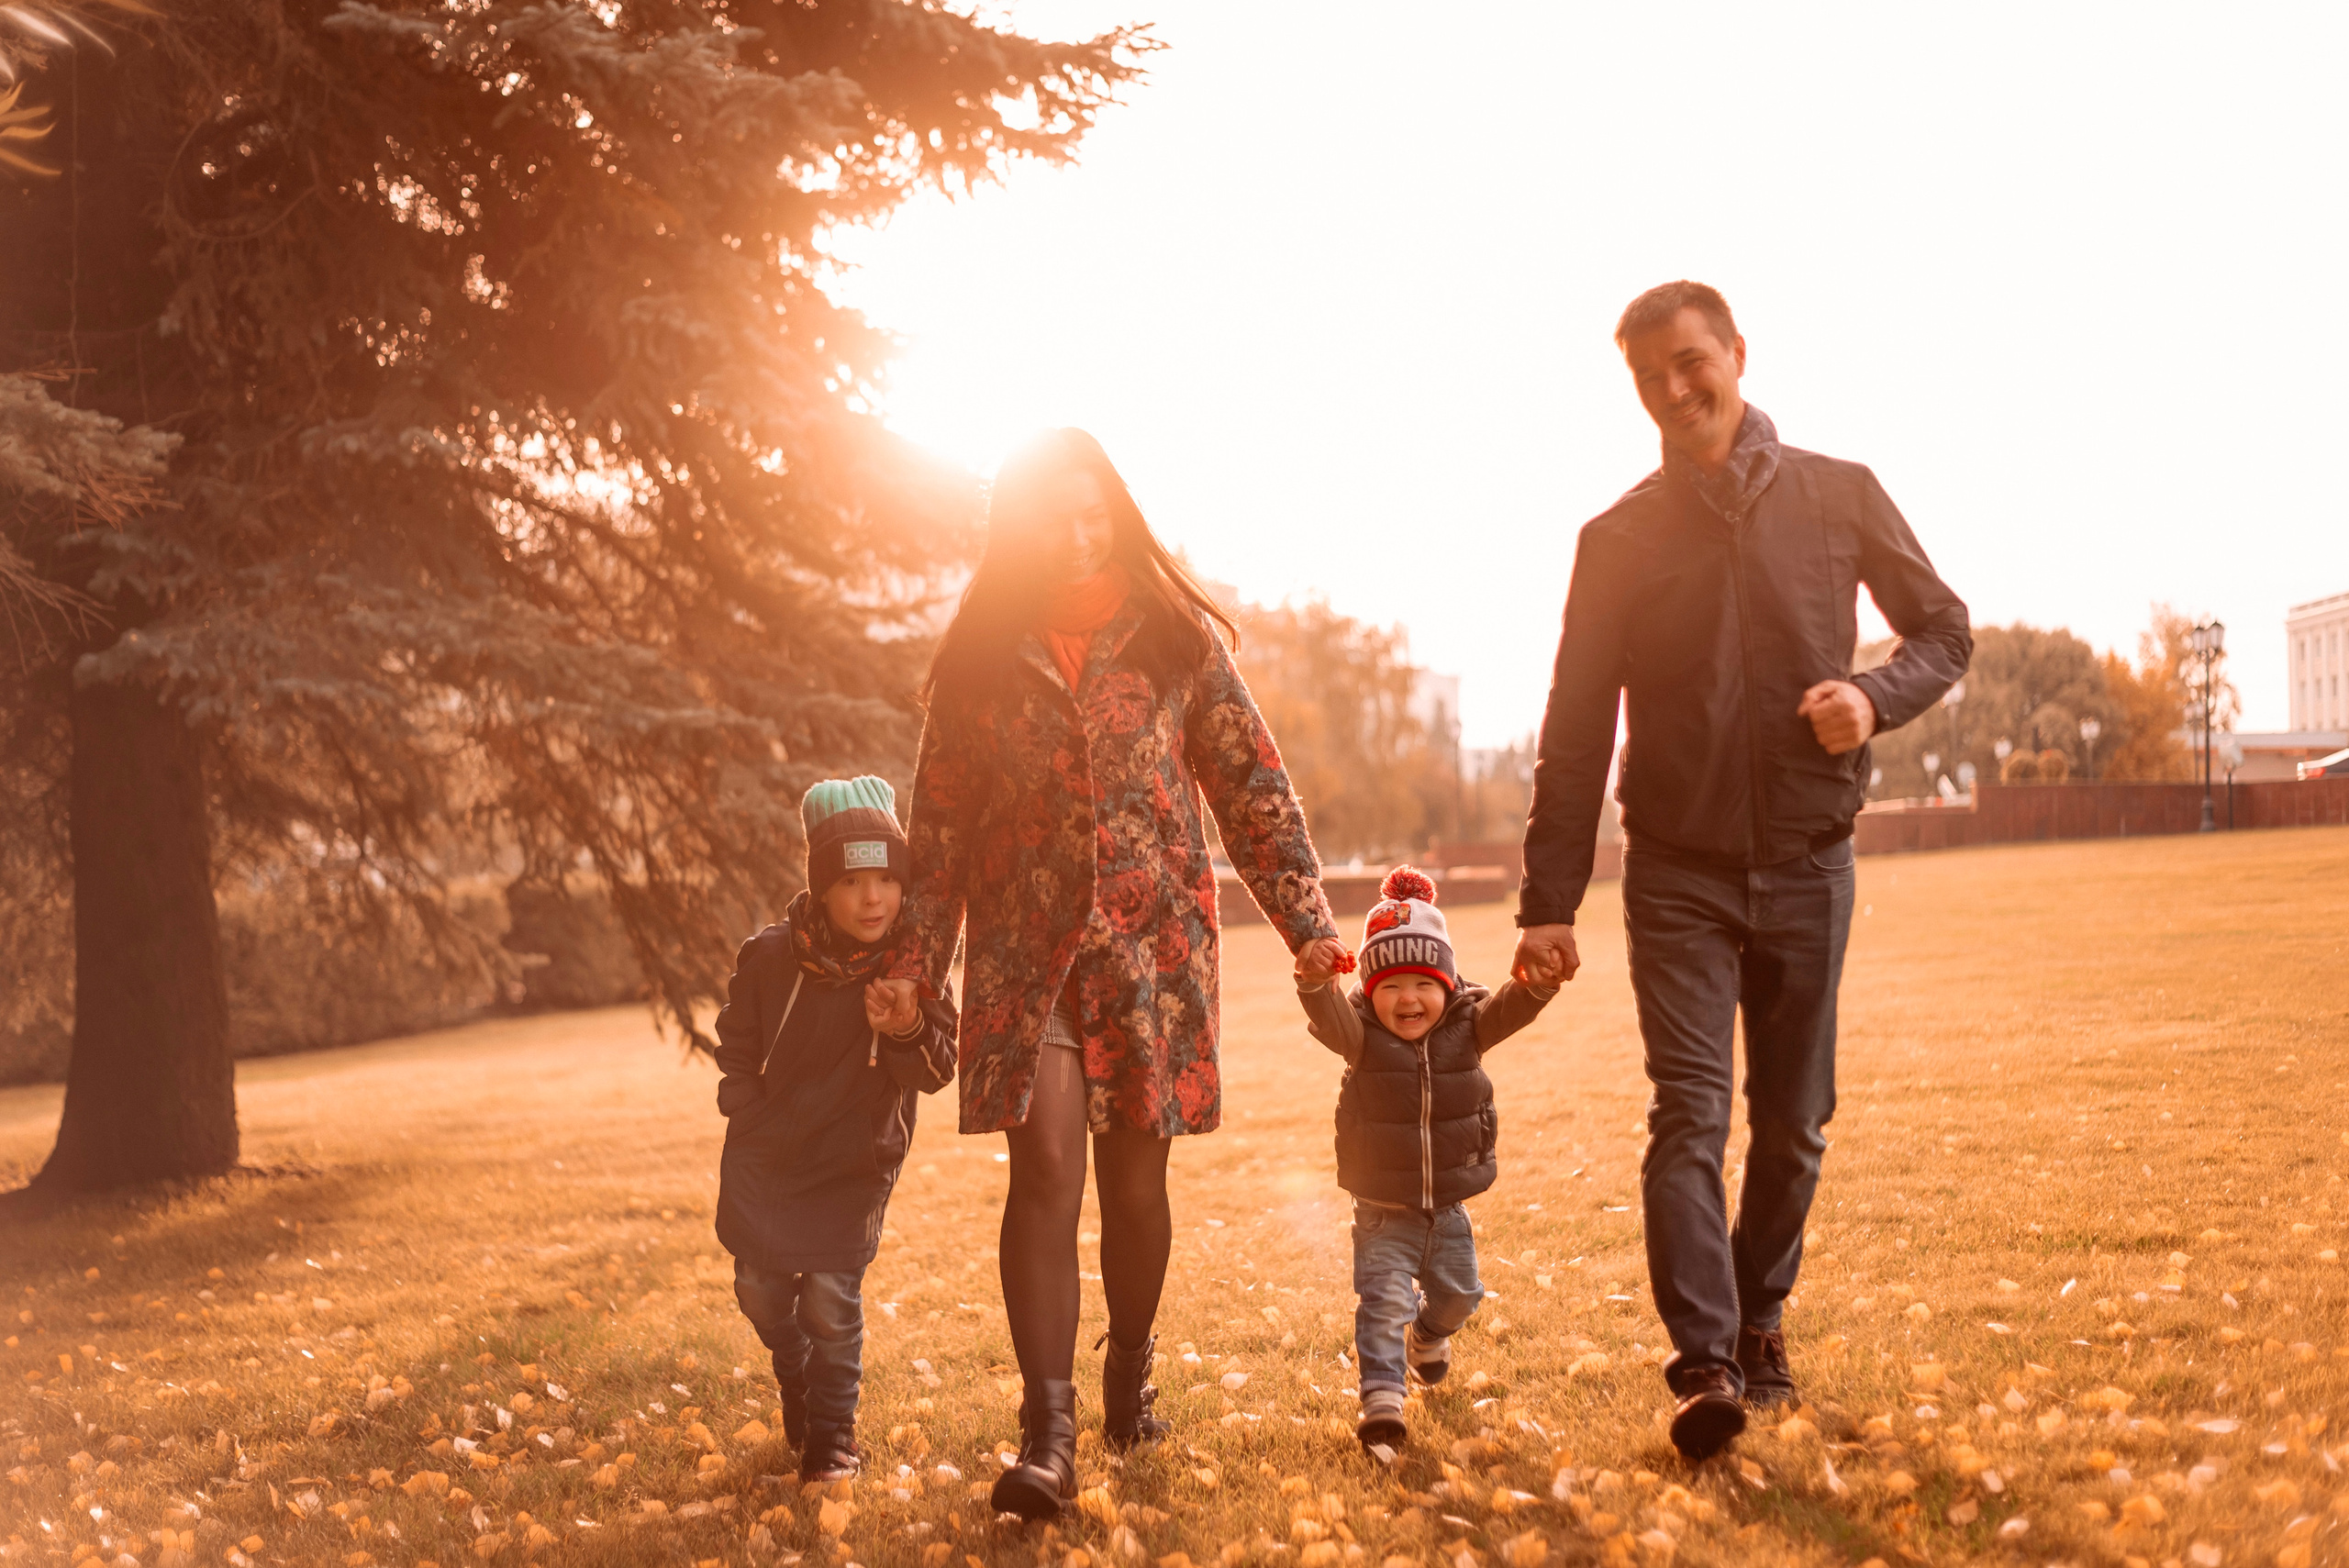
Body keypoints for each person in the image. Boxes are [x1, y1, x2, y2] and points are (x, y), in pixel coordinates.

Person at [1513, 282, 1970, 1462]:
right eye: (1650, 377)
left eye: (1690, 362)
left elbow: (1944, 629)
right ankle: (1705, 1361)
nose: (1675, 390)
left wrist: (1873, 697)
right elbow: (1573, 733)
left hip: (1813, 864)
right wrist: (1547, 905)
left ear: (1735, 354)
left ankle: (1761, 1317)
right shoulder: (1614, 543)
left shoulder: (1838, 494)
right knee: (1688, 1114)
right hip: (1676, 874)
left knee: (1796, 1122)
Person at [883, 428, 1338, 1521]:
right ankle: (1047, 1437)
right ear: (1019, 527)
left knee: (1138, 1186)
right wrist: (913, 962)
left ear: (1115, 513)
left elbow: (1251, 787)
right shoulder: (981, 660)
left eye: (1092, 512)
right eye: (1053, 516)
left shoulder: (1175, 641)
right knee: (1042, 1169)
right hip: (1024, 952)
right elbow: (938, 830)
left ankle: (1125, 1375)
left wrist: (1310, 925)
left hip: (1153, 954)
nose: (1076, 534)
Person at [711, 776, 956, 1485]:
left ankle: (831, 1439)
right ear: (823, 886)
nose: (873, 897)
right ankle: (797, 1372)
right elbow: (735, 1041)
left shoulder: (911, 969)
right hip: (773, 1154)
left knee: (828, 1297)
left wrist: (905, 1025)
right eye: (852, 880)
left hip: (854, 1161)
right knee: (759, 1288)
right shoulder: (772, 957)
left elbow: (937, 1069)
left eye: (886, 877)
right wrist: (745, 1106)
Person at [1291, 868, 1556, 1453]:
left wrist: (1537, 984)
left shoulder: (1468, 1025)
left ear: (1448, 984)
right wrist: (1314, 982)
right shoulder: (1359, 1033)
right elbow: (1329, 1011)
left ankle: (1429, 1337)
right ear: (1369, 991)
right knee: (1384, 1300)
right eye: (1389, 986)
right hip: (1383, 1212)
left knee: (1462, 1295)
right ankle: (1382, 1400)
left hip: (1449, 1210)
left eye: (1423, 984)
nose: (1407, 999)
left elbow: (1512, 1008)